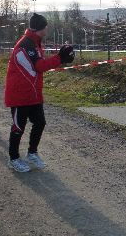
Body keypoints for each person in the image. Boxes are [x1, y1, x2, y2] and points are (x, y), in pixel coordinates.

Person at [4, 13, 75, 172]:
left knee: (40, 123)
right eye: (45, 26)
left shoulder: (35, 42)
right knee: (18, 127)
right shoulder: (26, 44)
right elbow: (39, 66)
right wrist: (60, 58)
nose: (47, 29)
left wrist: (60, 58)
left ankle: (32, 153)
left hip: (33, 93)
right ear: (40, 28)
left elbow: (39, 64)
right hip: (19, 94)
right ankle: (13, 158)